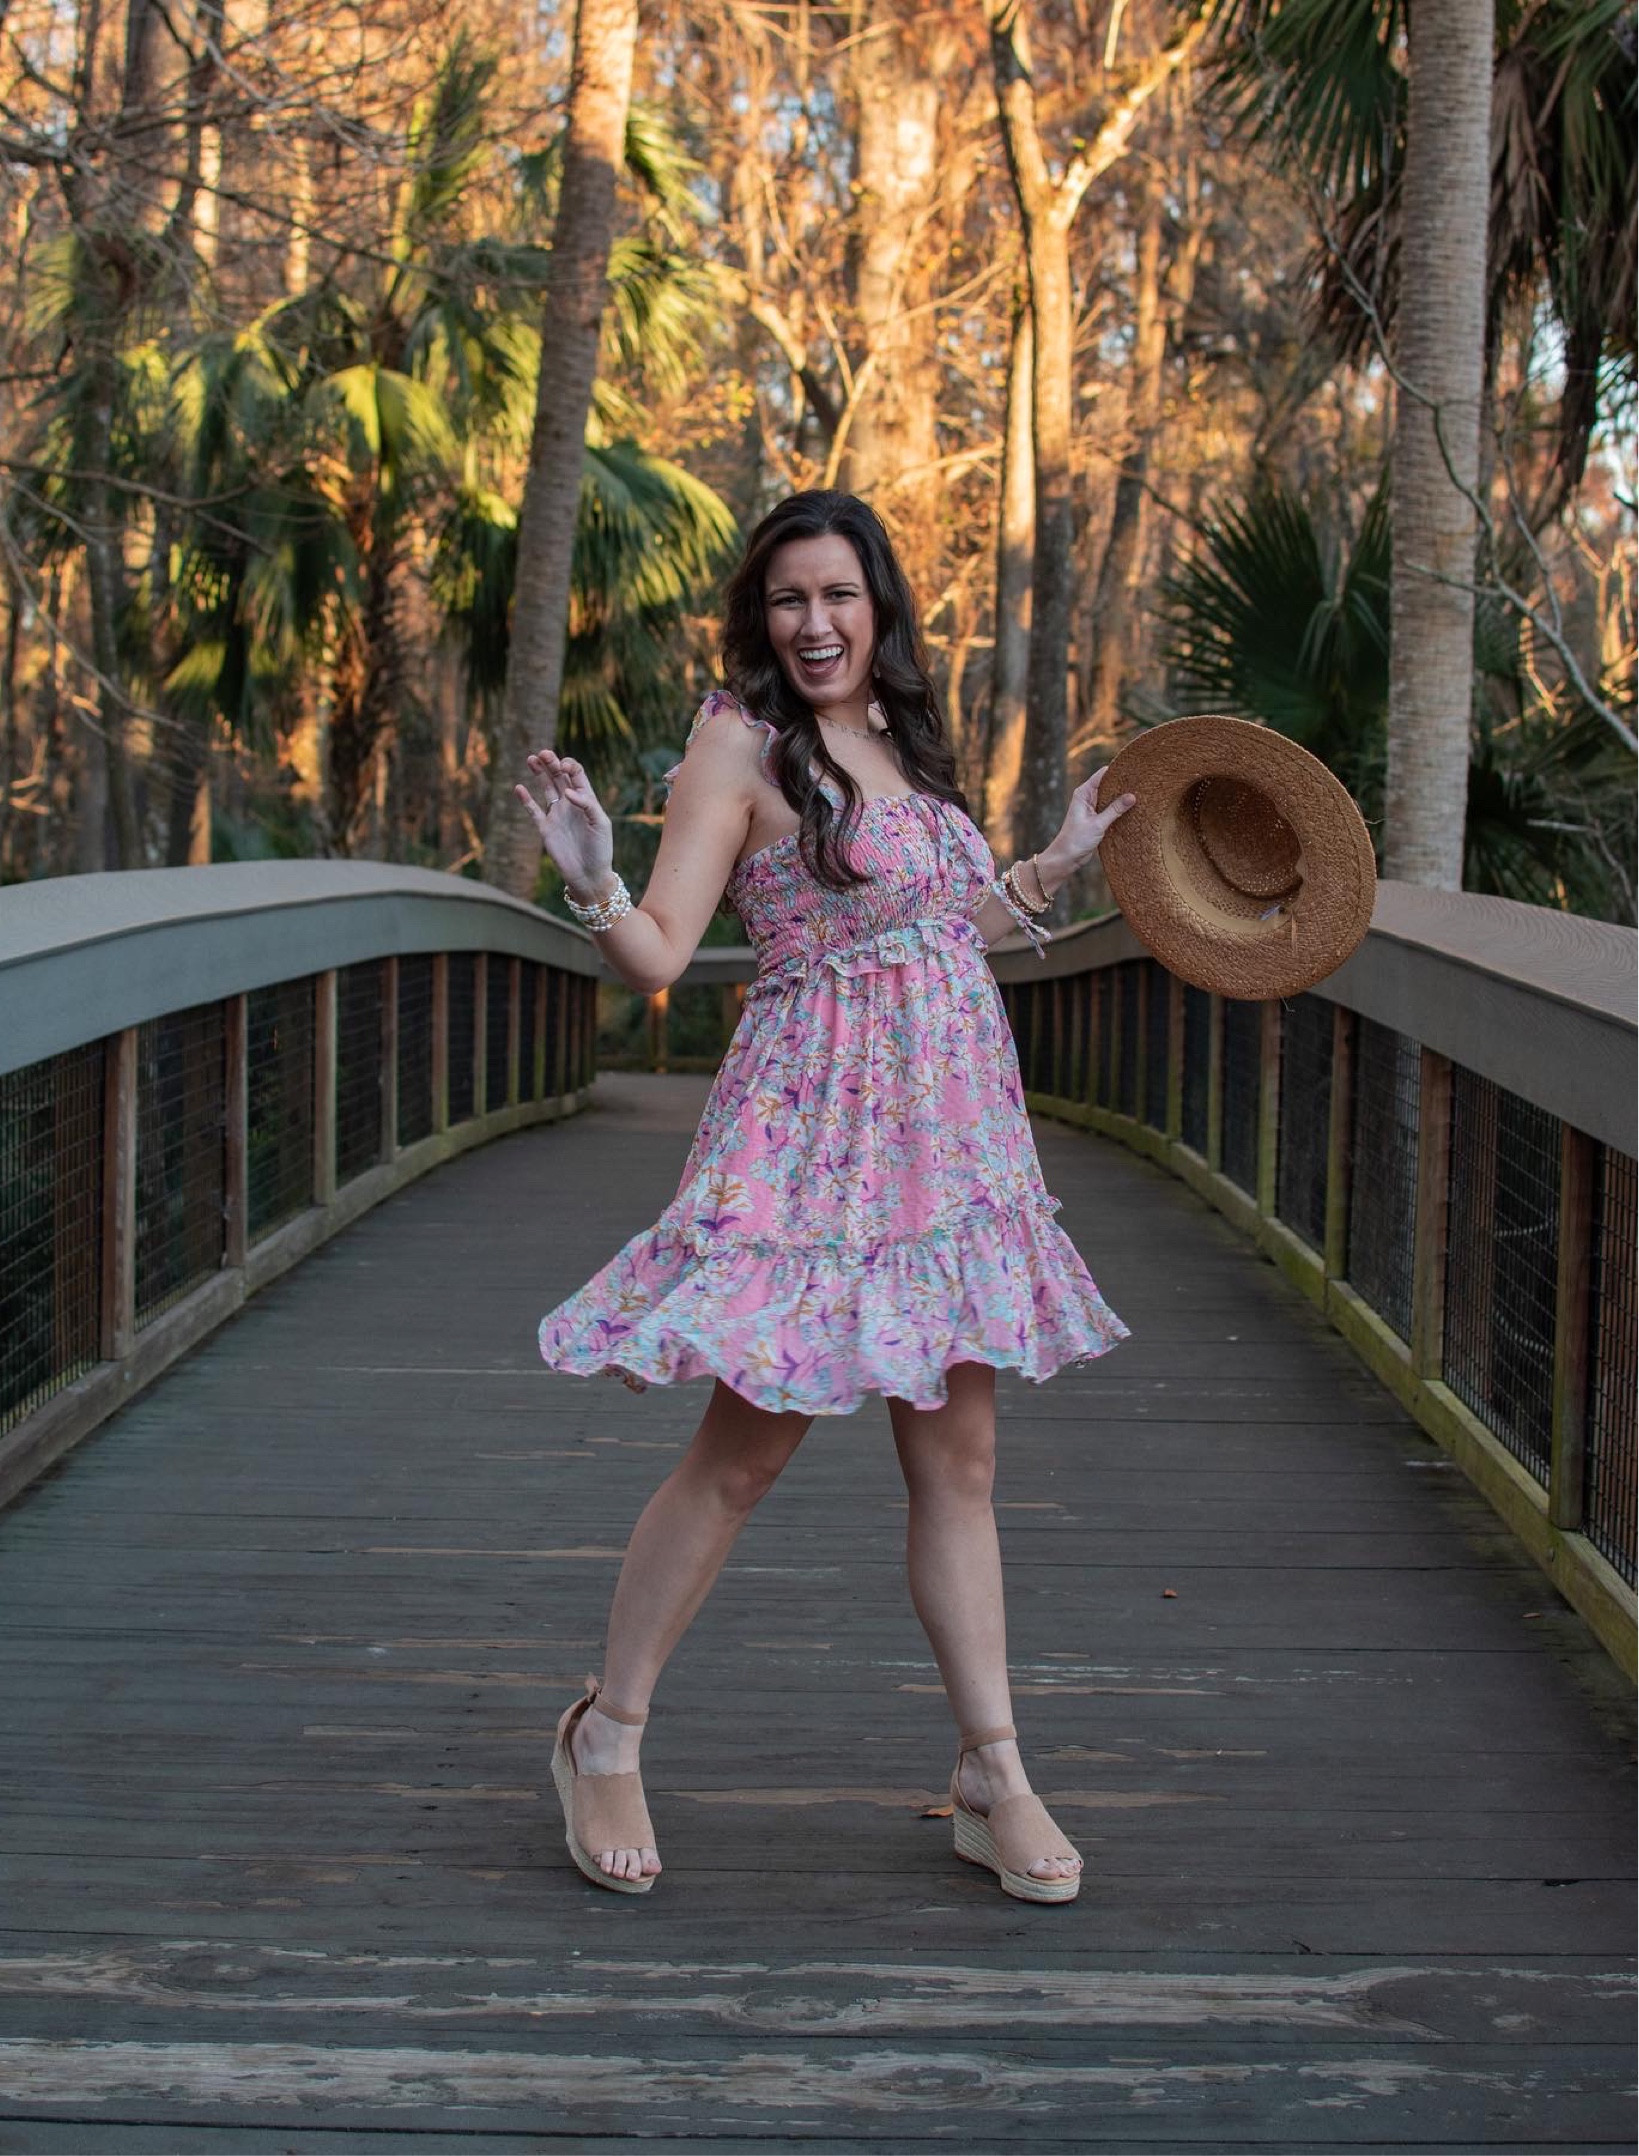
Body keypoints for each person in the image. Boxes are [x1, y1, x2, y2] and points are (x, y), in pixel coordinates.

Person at [515, 490, 1136, 1905]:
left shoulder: (902, 739)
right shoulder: (739, 743)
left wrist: (1056, 861)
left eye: (839, 596)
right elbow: (664, 952)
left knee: (960, 1465)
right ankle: (602, 1736)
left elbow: (930, 931)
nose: (815, 622)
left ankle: (993, 1771)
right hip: (814, 1144)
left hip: (953, 1140)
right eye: (790, 598)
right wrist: (600, 884)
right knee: (747, 1453)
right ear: (762, 614)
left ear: (879, 607)